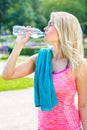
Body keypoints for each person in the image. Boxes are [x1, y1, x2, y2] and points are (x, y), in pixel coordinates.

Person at [2, 11, 87, 130]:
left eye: (51, 24)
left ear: (63, 30)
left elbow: (83, 106)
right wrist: (18, 46)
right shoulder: (40, 59)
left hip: (70, 127)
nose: (45, 28)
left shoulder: (79, 64)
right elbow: (7, 75)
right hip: (43, 127)